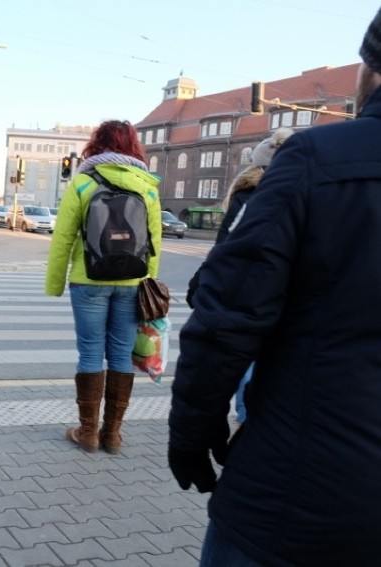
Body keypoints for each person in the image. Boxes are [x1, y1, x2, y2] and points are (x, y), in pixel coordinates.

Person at [169, 9, 381, 565]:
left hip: (301, 496)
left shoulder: (316, 162)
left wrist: (193, 429)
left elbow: (228, 317)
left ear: (372, 72)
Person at [45, 120, 162, 454]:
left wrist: (55, 284)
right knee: (122, 354)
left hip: (88, 279)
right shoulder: (147, 186)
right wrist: (147, 283)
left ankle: (88, 432)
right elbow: (154, 243)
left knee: (90, 351)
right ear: (133, 146)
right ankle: (112, 434)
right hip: (132, 281)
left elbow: (63, 238)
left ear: (96, 144)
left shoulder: (82, 182)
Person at [186, 127, 294, 423]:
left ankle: (247, 431)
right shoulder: (309, 194)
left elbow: (224, 250)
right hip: (289, 304)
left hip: (246, 302)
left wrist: (200, 286)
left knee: (245, 373)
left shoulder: (247, 197)